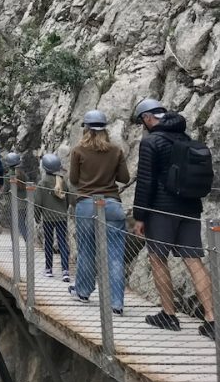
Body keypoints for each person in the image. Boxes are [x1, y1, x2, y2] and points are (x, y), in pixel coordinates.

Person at [133, 98, 215, 338]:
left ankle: (169, 315)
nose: (143, 125)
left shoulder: (151, 142)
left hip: (161, 210)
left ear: (148, 118)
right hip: (190, 208)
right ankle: (212, 319)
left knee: (158, 258)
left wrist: (140, 216)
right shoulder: (185, 139)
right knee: (193, 260)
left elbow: (146, 182)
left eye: (142, 121)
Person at [67, 110, 130, 316]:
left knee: (86, 249)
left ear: (86, 128)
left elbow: (74, 180)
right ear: (105, 128)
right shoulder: (116, 150)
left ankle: (83, 292)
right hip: (111, 203)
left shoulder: (78, 151)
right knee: (115, 255)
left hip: (86, 204)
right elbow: (124, 178)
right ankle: (117, 303)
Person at [35, 153, 70, 282]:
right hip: (61, 217)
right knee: (62, 242)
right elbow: (69, 198)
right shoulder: (63, 182)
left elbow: (37, 203)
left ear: (44, 168)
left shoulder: (42, 183)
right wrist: (64, 211)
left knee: (48, 242)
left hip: (48, 218)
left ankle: (49, 269)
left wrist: (37, 217)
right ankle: (65, 270)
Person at [4, 152, 29, 240]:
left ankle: (16, 245)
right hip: (25, 203)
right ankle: (27, 242)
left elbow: (5, 191)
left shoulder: (8, 176)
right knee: (23, 224)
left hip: (14, 204)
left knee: (15, 225)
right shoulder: (24, 175)